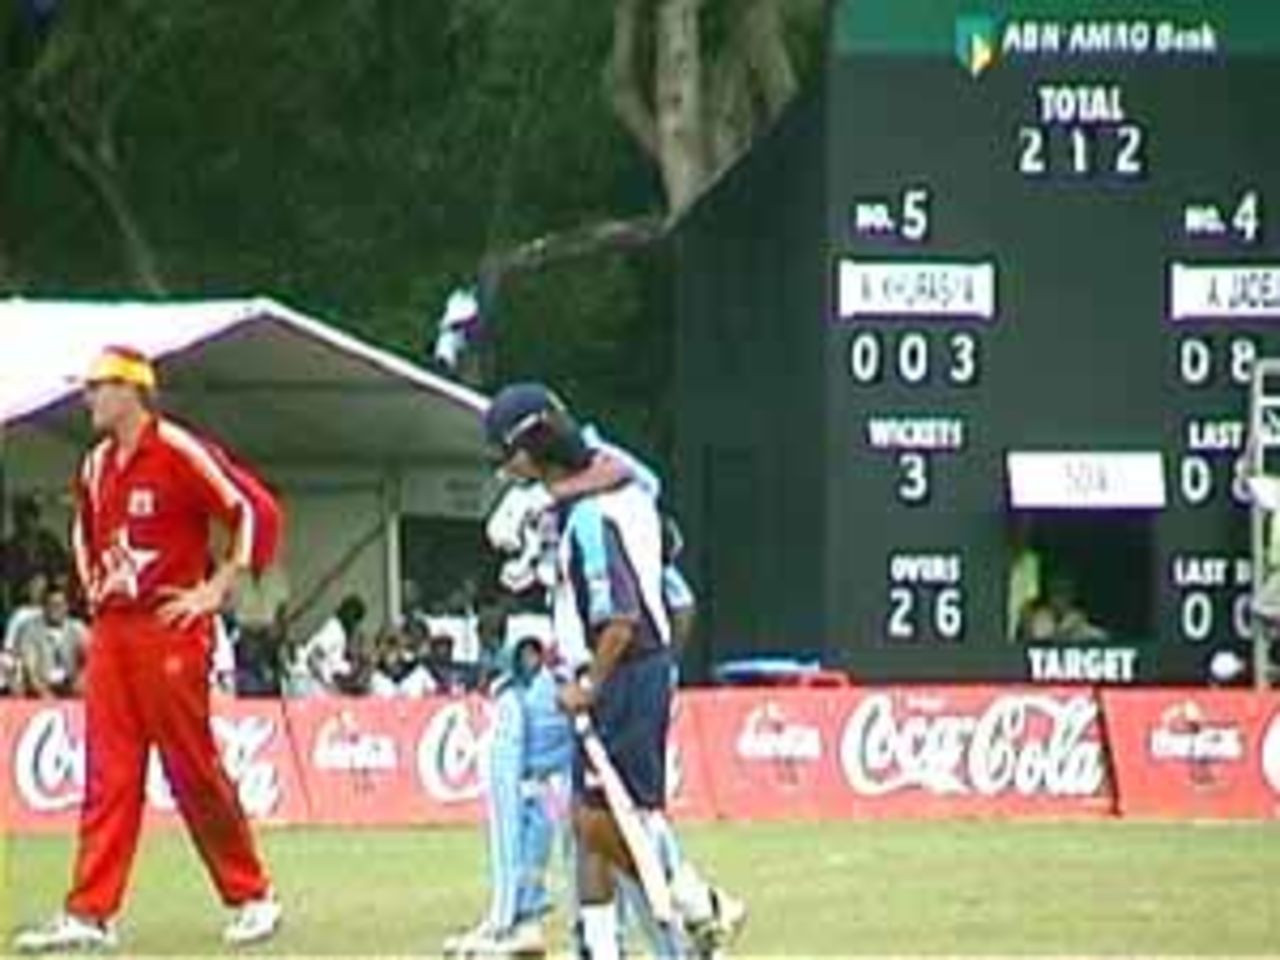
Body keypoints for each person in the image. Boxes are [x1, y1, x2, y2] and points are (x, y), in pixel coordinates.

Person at [13, 346, 283, 954]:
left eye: (96, 387)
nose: (86, 398)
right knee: (109, 772)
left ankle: (252, 894)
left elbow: (246, 509)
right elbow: (84, 530)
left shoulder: (179, 451)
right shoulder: (94, 465)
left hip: (169, 627)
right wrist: (97, 593)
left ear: (131, 390)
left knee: (192, 766)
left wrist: (215, 589)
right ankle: (91, 910)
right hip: (115, 631)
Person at [484, 383, 743, 960]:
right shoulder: (616, 485)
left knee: (610, 824)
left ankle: (700, 902)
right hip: (622, 668)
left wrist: (591, 685)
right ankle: (601, 948)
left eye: (510, 458)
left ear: (531, 449)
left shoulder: (589, 519)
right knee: (586, 821)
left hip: (622, 673)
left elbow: (620, 617)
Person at [443, 631, 575, 957]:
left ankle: (507, 921)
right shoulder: (546, 682)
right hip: (551, 779)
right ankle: (525, 921)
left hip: (537, 775)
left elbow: (508, 765)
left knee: (515, 827)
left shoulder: (516, 695)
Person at [13, 581, 87, 698]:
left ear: (67, 606)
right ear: (43, 606)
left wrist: (80, 682)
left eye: (60, 604)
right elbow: (30, 670)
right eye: (51, 604)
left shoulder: (78, 629)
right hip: (39, 691)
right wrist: (46, 696)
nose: (56, 609)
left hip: (71, 689)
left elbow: (90, 661)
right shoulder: (29, 630)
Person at [287, 594, 365, 697]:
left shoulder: (337, 631)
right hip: (306, 681)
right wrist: (327, 684)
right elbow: (314, 657)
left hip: (309, 681)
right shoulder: (334, 630)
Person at [1, 494, 69, 610]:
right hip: (20, 602)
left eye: (29, 517)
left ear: (36, 518)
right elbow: (7, 583)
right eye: (19, 519)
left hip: (49, 599)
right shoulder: (9, 548)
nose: (25, 523)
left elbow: (62, 572)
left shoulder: (49, 542)